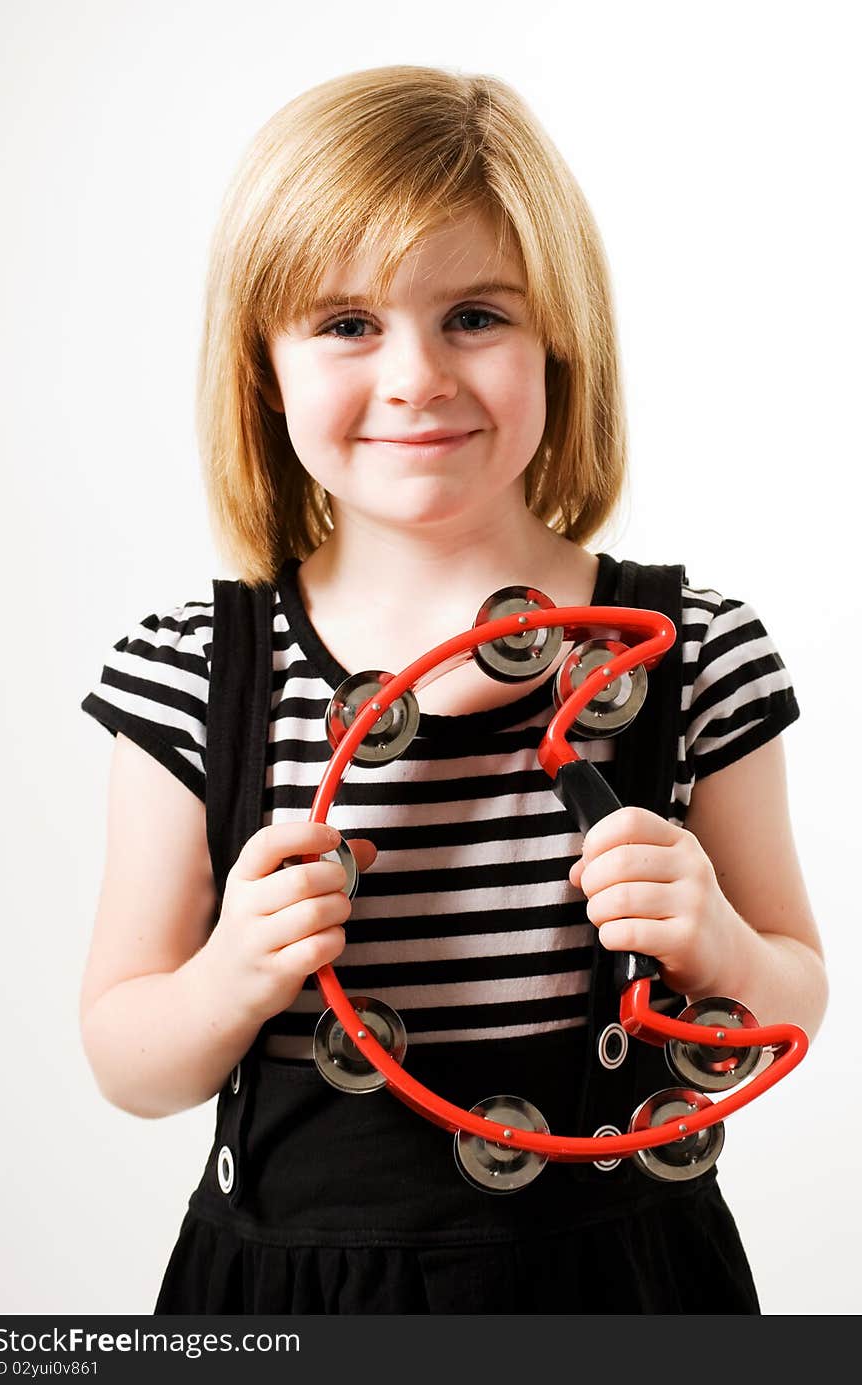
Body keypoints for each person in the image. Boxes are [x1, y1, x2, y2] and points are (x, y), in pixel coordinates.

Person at [79, 65, 827, 1315]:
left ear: (559, 340)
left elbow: (792, 994)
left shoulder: (692, 646)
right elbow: (126, 1054)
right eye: (345, 323)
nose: (417, 373)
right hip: (294, 1292)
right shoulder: (195, 671)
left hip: (629, 1278)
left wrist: (721, 943)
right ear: (263, 367)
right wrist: (231, 975)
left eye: (475, 314)